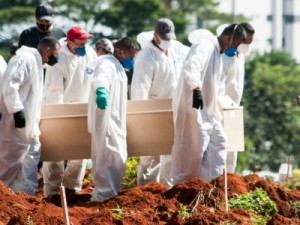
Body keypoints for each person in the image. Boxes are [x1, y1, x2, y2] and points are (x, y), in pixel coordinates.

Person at [171, 23, 254, 185]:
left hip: (208, 110)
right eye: (237, 44)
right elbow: (191, 67)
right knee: (192, 152)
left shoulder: (218, 53)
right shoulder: (205, 45)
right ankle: (184, 188)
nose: (236, 49)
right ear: (229, 38)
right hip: (193, 107)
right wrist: (195, 87)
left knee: (220, 142)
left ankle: (212, 187)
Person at [131, 18, 190, 187]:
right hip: (152, 109)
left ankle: (167, 188)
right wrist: (141, 115)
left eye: (170, 39)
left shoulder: (176, 49)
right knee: (151, 154)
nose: (167, 42)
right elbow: (140, 88)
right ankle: (146, 190)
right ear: (155, 36)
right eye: (164, 39)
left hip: (173, 107)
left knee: (172, 151)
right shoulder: (146, 56)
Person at [0, 37, 60, 195]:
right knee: (9, 163)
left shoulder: (37, 63)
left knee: (32, 156)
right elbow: (10, 84)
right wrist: (17, 110)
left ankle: (26, 195)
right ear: (47, 50)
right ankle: (3, 198)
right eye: (56, 53)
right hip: (14, 122)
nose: (57, 58)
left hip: (28, 125)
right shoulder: (25, 59)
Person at [42, 26, 97, 198]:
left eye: (86, 41)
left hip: (83, 108)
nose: (84, 45)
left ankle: (73, 187)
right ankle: (52, 191)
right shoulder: (59, 59)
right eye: (80, 43)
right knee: (56, 152)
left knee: (80, 150)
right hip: (62, 108)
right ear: (69, 42)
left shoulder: (90, 54)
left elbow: (94, 78)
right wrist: (59, 115)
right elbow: (54, 90)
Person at [88, 37, 137, 201]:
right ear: (119, 52)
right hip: (105, 120)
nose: (132, 60)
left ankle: (110, 193)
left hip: (116, 121)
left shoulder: (119, 67)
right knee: (105, 158)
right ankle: (102, 196)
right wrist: (102, 90)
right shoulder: (107, 63)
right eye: (131, 56)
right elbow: (100, 78)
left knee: (117, 158)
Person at [219, 23, 255, 173]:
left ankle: (230, 180)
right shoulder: (222, 57)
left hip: (234, 107)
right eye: (245, 42)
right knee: (219, 147)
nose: (246, 46)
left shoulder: (242, 57)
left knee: (232, 149)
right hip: (220, 107)